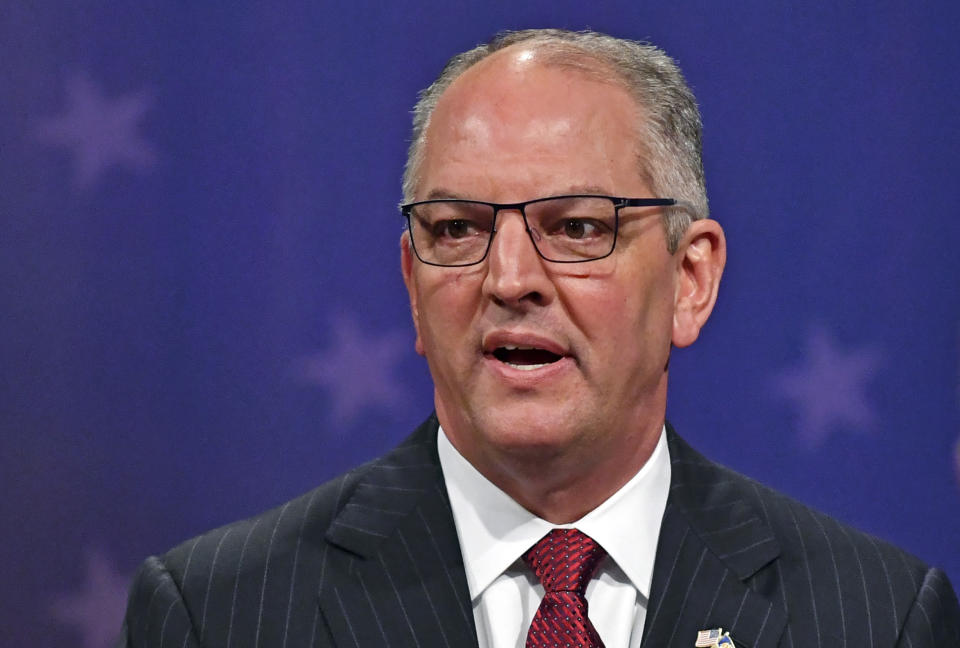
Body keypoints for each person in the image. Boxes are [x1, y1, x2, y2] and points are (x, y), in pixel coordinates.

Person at [119, 28, 960, 647]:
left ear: (690, 280)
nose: (509, 277)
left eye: (579, 226)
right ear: (412, 287)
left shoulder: (876, 617)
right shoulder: (217, 612)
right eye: (455, 230)